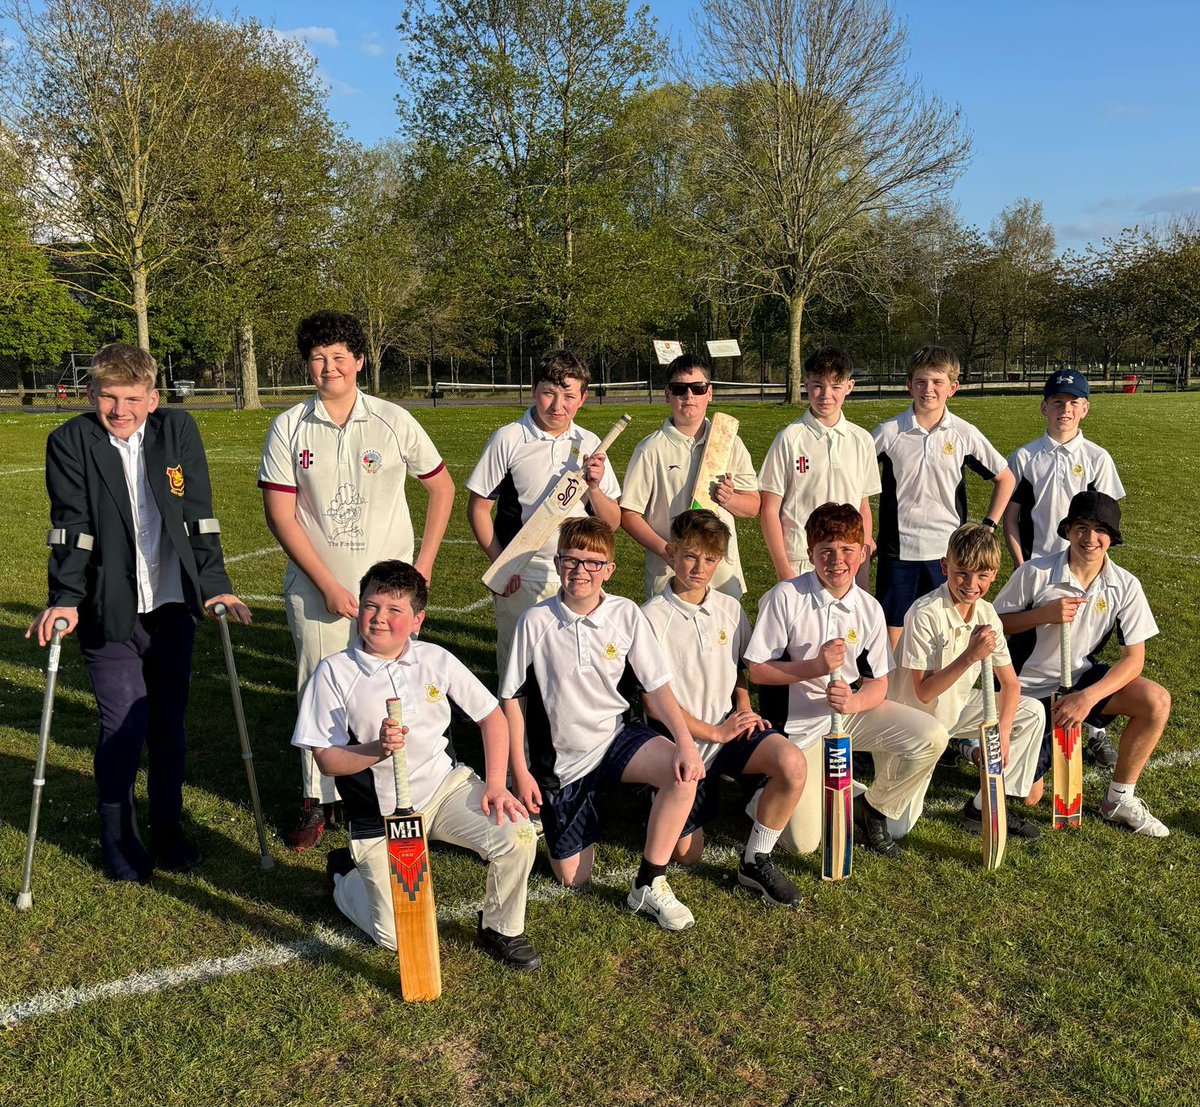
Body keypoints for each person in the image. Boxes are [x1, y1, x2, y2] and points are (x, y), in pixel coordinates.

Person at [27, 343, 250, 883]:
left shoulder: (178, 433)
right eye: (108, 396)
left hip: (172, 606)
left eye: (132, 397)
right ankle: (120, 839)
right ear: (91, 394)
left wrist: (215, 586)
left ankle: (168, 829)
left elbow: (200, 517)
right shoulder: (71, 441)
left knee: (168, 726)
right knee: (122, 725)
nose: (120, 409)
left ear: (153, 398)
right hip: (111, 610)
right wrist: (66, 597)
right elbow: (71, 526)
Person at [258, 311, 455, 852]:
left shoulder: (393, 419)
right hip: (318, 590)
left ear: (360, 361)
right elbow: (280, 513)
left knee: (389, 693)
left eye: (340, 357)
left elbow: (441, 489)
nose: (329, 367)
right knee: (316, 689)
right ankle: (317, 797)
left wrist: (424, 569)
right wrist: (323, 582)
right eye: (318, 358)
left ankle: (393, 793)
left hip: (387, 596)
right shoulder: (290, 425)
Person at [293, 561, 540, 968]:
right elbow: (326, 759)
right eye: (372, 606)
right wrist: (377, 750)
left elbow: (491, 716)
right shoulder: (334, 673)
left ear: (417, 620)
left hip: (444, 790)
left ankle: (501, 927)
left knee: (520, 835)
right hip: (380, 816)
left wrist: (496, 784)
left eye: (395, 611)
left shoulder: (436, 659)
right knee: (395, 938)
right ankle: (346, 878)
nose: (379, 619)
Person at [501, 518, 706, 931]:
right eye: (571, 561)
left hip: (615, 738)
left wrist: (685, 742)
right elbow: (512, 699)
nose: (581, 571)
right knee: (573, 878)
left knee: (681, 774)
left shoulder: (625, 614)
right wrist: (518, 771)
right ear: (558, 564)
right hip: (563, 762)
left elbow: (659, 687)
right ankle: (573, 810)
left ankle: (649, 883)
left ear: (609, 570)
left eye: (593, 563)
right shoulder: (535, 622)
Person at [744, 503, 948, 858]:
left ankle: (870, 806)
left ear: (863, 552)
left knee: (931, 737)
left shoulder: (868, 608)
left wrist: (853, 703)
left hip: (847, 716)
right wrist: (815, 667)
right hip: (798, 729)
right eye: (826, 551)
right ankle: (760, 794)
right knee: (804, 845)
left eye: (847, 551)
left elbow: (877, 684)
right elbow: (758, 670)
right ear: (810, 554)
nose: (837, 561)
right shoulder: (786, 597)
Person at [641, 510, 807, 905]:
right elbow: (651, 700)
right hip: (685, 742)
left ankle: (755, 860)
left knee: (792, 763)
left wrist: (744, 706)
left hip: (730, 732)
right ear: (670, 552)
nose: (700, 568)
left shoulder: (731, 609)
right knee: (688, 854)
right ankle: (660, 792)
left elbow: (739, 668)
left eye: (711, 559)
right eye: (690, 556)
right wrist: (712, 732)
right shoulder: (649, 617)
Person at [995, 491, 1172, 837]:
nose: (1090, 538)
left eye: (1099, 530)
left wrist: (1087, 697)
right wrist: (1042, 614)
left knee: (1156, 700)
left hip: (1080, 681)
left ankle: (1119, 799)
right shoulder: (1037, 571)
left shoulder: (1125, 585)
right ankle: (974, 744)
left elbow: (1134, 660)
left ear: (1112, 538)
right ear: (1068, 530)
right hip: (1027, 691)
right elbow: (995, 623)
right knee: (1030, 796)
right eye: (1081, 527)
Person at [467, 349, 621, 683]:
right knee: (517, 673)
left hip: (578, 575)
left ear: (582, 399)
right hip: (522, 578)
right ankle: (517, 738)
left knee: (572, 673)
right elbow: (478, 508)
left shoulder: (590, 443)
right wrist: (501, 565)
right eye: (549, 393)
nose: (557, 406)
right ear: (535, 389)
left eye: (568, 396)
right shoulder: (508, 439)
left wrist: (594, 487)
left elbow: (612, 523)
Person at [888, 524, 1043, 840]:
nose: (971, 584)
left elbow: (1011, 685)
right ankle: (859, 790)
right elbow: (924, 691)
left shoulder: (987, 614)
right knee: (896, 828)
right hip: (912, 720)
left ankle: (985, 805)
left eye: (982, 576)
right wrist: (970, 656)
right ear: (945, 567)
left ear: (994, 574)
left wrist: (1001, 735)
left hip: (954, 710)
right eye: (962, 574)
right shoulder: (925, 612)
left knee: (1031, 712)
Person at [872, 345, 1015, 647]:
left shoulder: (964, 433)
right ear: (909, 384)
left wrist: (988, 525)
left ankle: (941, 689)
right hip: (898, 550)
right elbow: (854, 481)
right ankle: (894, 692)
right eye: (921, 382)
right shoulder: (888, 432)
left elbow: (1005, 478)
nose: (928, 390)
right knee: (892, 632)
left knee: (944, 630)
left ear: (952, 388)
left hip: (947, 555)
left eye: (937, 382)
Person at [621, 353, 759, 600]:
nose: (689, 396)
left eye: (697, 388)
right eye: (679, 389)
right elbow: (629, 514)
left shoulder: (729, 442)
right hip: (669, 573)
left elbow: (753, 506)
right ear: (667, 394)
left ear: (710, 393)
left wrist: (730, 500)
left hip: (721, 572)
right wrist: (667, 551)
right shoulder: (650, 449)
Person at [759, 347, 880, 585]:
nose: (826, 395)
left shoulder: (862, 439)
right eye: (818, 385)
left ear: (849, 386)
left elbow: (863, 506)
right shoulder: (789, 438)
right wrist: (783, 569)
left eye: (835, 387)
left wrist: (861, 563)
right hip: (801, 560)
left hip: (847, 562)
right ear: (805, 383)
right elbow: (769, 510)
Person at [1003, 370, 1124, 569]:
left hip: (1080, 565)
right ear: (1044, 407)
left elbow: (1107, 523)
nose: (1065, 409)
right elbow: (1010, 519)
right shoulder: (1023, 456)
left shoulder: (1098, 458)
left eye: (1074, 402)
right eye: (1058, 402)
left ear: (1085, 409)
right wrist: (1021, 565)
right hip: (1034, 564)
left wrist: (1090, 564)